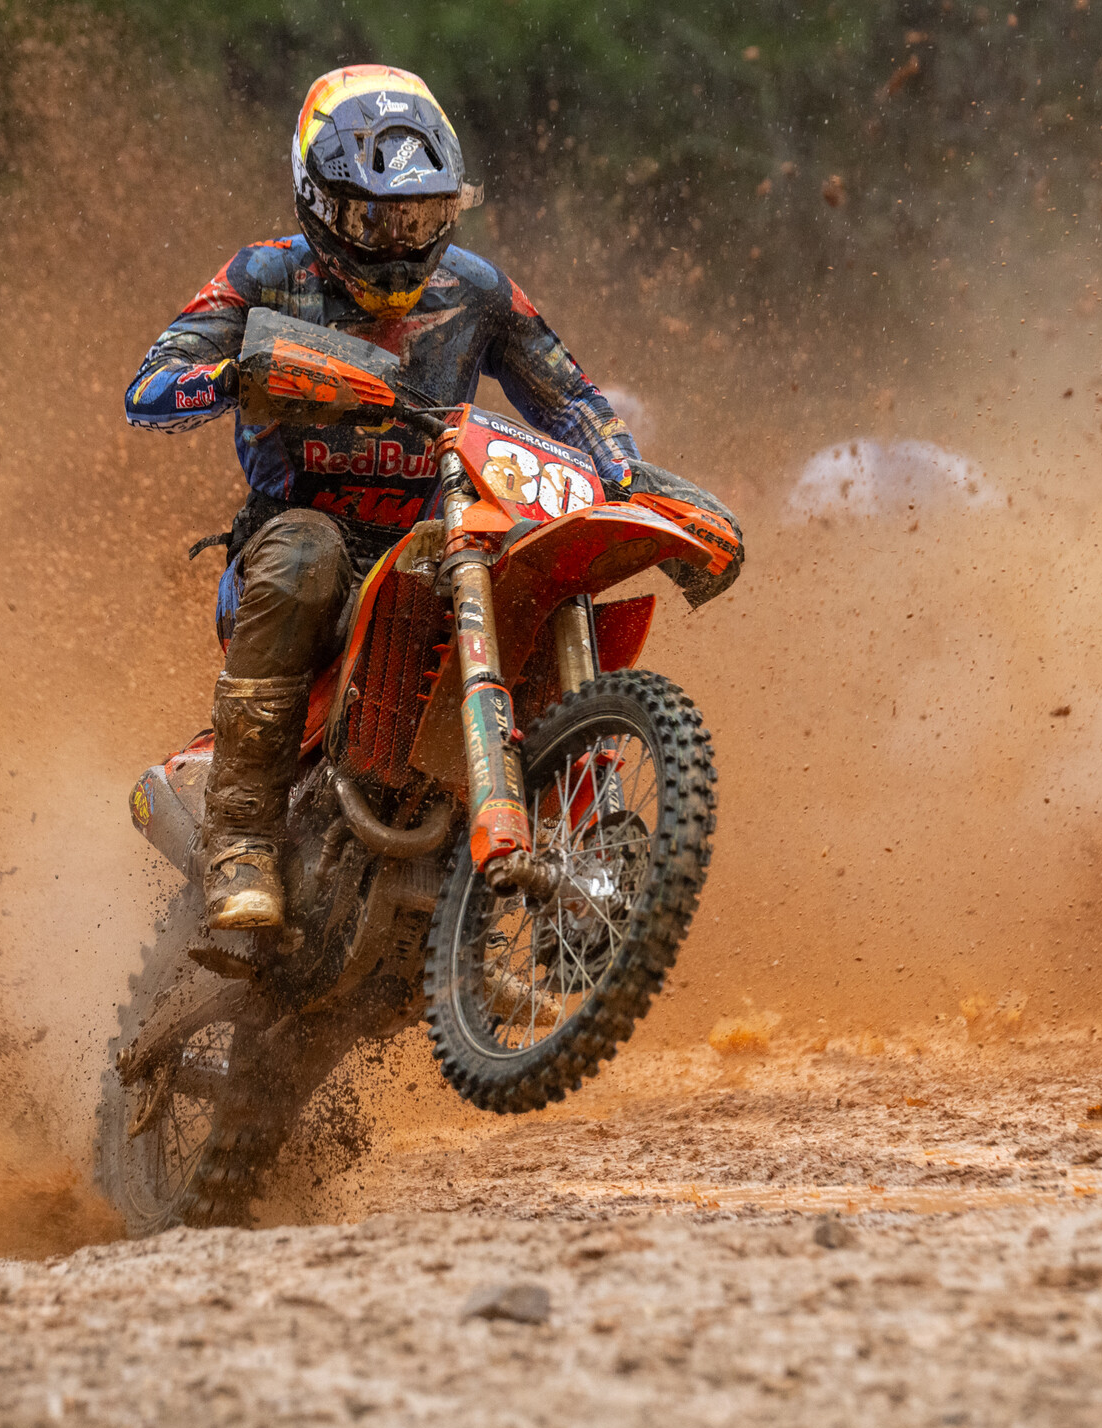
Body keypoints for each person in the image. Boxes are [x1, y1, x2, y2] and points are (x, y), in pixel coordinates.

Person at [124, 64, 740, 929]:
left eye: (421, 218)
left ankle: (577, 840)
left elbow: (569, 396)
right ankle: (239, 842)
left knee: (540, 559)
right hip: (300, 557)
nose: (399, 242)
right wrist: (238, 371)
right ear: (320, 202)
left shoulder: (476, 290)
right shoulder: (267, 277)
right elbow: (149, 389)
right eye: (375, 218)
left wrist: (630, 478)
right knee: (307, 550)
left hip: (445, 542)